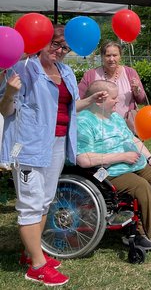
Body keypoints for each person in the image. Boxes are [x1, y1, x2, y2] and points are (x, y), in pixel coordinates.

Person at [0, 25, 106, 287]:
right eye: (55, 44)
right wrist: (11, 91)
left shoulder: (65, 71)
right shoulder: (23, 68)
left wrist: (91, 99)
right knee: (30, 204)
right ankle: (37, 266)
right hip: (29, 146)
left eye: (65, 47)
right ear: (42, 41)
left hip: (58, 143)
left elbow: (68, 107)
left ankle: (31, 253)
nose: (59, 51)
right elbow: (5, 110)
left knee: (45, 201)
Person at [76, 80, 151, 251]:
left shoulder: (116, 117)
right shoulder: (84, 122)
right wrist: (122, 156)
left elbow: (132, 139)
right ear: (98, 100)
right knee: (141, 186)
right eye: (113, 98)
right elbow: (83, 159)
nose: (117, 101)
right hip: (108, 171)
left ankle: (141, 222)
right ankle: (142, 231)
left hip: (131, 163)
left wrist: (150, 158)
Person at [78, 41, 147, 133]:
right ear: (102, 57)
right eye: (108, 55)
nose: (111, 59)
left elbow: (141, 99)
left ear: (120, 56)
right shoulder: (90, 75)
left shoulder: (130, 73)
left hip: (126, 128)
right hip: (98, 128)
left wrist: (137, 90)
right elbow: (78, 99)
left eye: (115, 55)